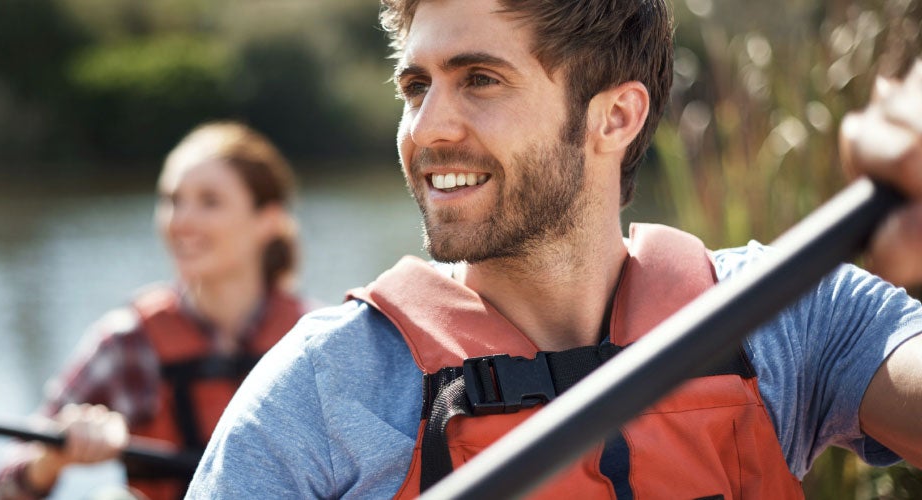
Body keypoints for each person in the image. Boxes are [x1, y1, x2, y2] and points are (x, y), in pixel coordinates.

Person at [187, 0, 922, 498]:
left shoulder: (789, 315)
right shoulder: (323, 391)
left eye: (480, 79)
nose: (427, 128)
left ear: (616, 117)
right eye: (417, 86)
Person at [0, 122, 315, 500]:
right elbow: (9, 484)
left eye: (209, 201)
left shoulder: (317, 340)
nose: (181, 221)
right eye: (172, 200)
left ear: (269, 220)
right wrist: (53, 457)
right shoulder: (129, 342)